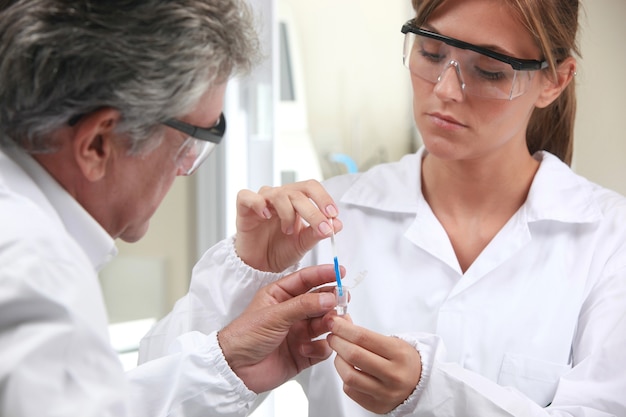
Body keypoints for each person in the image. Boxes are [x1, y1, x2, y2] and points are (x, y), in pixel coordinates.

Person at [139, 0, 626, 415]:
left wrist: (432, 393)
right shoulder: (325, 219)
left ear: (554, 81)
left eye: (489, 70)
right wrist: (248, 271)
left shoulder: (609, 240)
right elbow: (147, 392)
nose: (446, 90)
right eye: (432, 53)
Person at [0, 1, 343, 416]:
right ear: (97, 144)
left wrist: (227, 366)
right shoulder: (36, 271)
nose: (186, 169)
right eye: (189, 141)